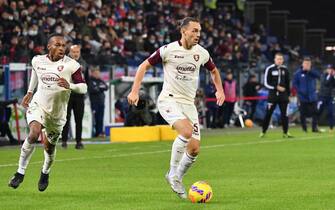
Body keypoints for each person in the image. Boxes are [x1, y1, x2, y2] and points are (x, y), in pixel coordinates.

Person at [127, 17, 225, 199]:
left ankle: (177, 176)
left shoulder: (201, 53)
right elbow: (143, 66)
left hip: (189, 104)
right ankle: (172, 172)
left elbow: (213, 70)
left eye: (200, 31)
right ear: (184, 31)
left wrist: (219, 90)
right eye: (194, 31)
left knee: (194, 148)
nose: (198, 35)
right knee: (186, 131)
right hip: (169, 100)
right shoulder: (168, 50)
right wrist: (134, 91)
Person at [8, 34, 87, 191]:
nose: (61, 48)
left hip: (57, 114)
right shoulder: (37, 60)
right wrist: (30, 92)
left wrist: (70, 85)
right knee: (34, 133)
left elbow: (83, 87)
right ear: (49, 46)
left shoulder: (72, 65)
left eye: (63, 45)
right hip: (39, 105)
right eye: (58, 45)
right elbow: (36, 73)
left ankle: (45, 172)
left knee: (49, 147)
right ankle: (20, 172)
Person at [260, 53, 292, 138]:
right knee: (268, 114)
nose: (279, 60)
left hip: (283, 96)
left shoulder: (285, 69)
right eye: (278, 59)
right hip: (273, 96)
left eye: (281, 59)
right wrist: (276, 87)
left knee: (285, 114)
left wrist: (288, 94)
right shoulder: (269, 69)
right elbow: (266, 83)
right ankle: (263, 131)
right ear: (274, 59)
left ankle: (286, 132)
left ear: (283, 60)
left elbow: (288, 84)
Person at [61, 45, 88, 149]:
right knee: (65, 119)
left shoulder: (84, 63)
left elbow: (87, 79)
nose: (76, 54)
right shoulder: (64, 62)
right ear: (70, 53)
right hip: (67, 94)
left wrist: (85, 92)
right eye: (74, 52)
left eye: (77, 52)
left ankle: (79, 142)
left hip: (79, 95)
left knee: (79, 119)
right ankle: (64, 141)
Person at [293, 57, 321, 133]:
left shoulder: (313, 72)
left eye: (308, 64)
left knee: (315, 112)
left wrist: (310, 71)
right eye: (305, 63)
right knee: (302, 114)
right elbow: (294, 84)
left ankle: (314, 128)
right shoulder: (297, 73)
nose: (307, 65)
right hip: (302, 97)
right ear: (302, 64)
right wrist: (300, 91)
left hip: (312, 97)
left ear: (310, 64)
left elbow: (319, 76)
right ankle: (304, 128)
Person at [88, 67, 108, 137]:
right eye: (96, 73)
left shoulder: (100, 80)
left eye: (98, 73)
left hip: (101, 102)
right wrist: (100, 88)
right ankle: (94, 133)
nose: (98, 74)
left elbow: (106, 87)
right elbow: (92, 89)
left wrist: (98, 87)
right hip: (94, 103)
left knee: (100, 118)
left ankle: (99, 132)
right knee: (95, 119)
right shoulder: (90, 81)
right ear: (92, 73)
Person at [318, 64, 335, 131]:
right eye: (328, 69)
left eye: (331, 69)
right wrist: (331, 75)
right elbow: (326, 83)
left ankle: (331, 127)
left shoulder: (332, 77)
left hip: (330, 97)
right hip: (322, 97)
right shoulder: (323, 76)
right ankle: (315, 125)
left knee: (331, 112)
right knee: (319, 111)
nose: (329, 70)